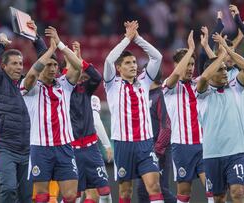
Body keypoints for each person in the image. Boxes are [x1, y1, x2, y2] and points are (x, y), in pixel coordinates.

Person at [103, 20, 164, 203]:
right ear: (119, 68)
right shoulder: (112, 84)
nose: (133, 65)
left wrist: (137, 39)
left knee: (154, 186)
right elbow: (108, 60)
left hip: (145, 143)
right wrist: (126, 39)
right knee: (125, 192)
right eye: (128, 63)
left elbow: (157, 57)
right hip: (123, 144)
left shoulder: (144, 81)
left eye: (134, 62)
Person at [20, 26, 82, 203]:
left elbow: (78, 67)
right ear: (41, 66)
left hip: (64, 146)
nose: (53, 68)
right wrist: (49, 51)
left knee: (70, 195)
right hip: (40, 147)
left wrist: (60, 45)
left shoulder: (64, 84)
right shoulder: (30, 88)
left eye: (55, 65)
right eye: (49, 65)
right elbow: (32, 74)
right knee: (41, 196)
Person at [197, 32, 244, 203]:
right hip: (212, 153)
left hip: (236, 151)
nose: (225, 72)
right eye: (220, 69)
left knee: (237, 192)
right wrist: (220, 55)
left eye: (225, 68)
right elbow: (205, 77)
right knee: (219, 198)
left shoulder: (235, 87)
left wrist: (227, 50)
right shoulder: (202, 93)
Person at [0, 32, 32, 203]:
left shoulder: (26, 83)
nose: (19, 67)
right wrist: (2, 45)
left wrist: (37, 39)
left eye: (20, 63)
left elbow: (43, 67)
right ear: (3, 66)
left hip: (26, 148)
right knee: (10, 189)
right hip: (4, 146)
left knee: (27, 197)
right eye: (14, 64)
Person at [66, 41, 112, 203]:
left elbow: (97, 121)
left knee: (102, 191)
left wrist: (78, 59)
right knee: (75, 195)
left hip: (91, 149)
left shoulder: (89, 95)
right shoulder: (63, 93)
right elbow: (69, 76)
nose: (81, 78)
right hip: (72, 150)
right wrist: (71, 57)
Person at [162, 30, 205, 203]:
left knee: (211, 187)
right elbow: (176, 76)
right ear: (177, 65)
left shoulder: (199, 84)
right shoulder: (169, 86)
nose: (189, 68)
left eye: (192, 64)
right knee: (184, 192)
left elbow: (212, 69)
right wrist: (190, 50)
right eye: (186, 64)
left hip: (203, 144)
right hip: (181, 145)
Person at [136, 68, 176, 203]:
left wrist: (157, 151)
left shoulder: (160, 95)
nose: (140, 76)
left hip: (159, 151)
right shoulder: (145, 95)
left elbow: (166, 126)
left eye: (143, 73)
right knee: (143, 191)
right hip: (147, 150)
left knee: (160, 190)